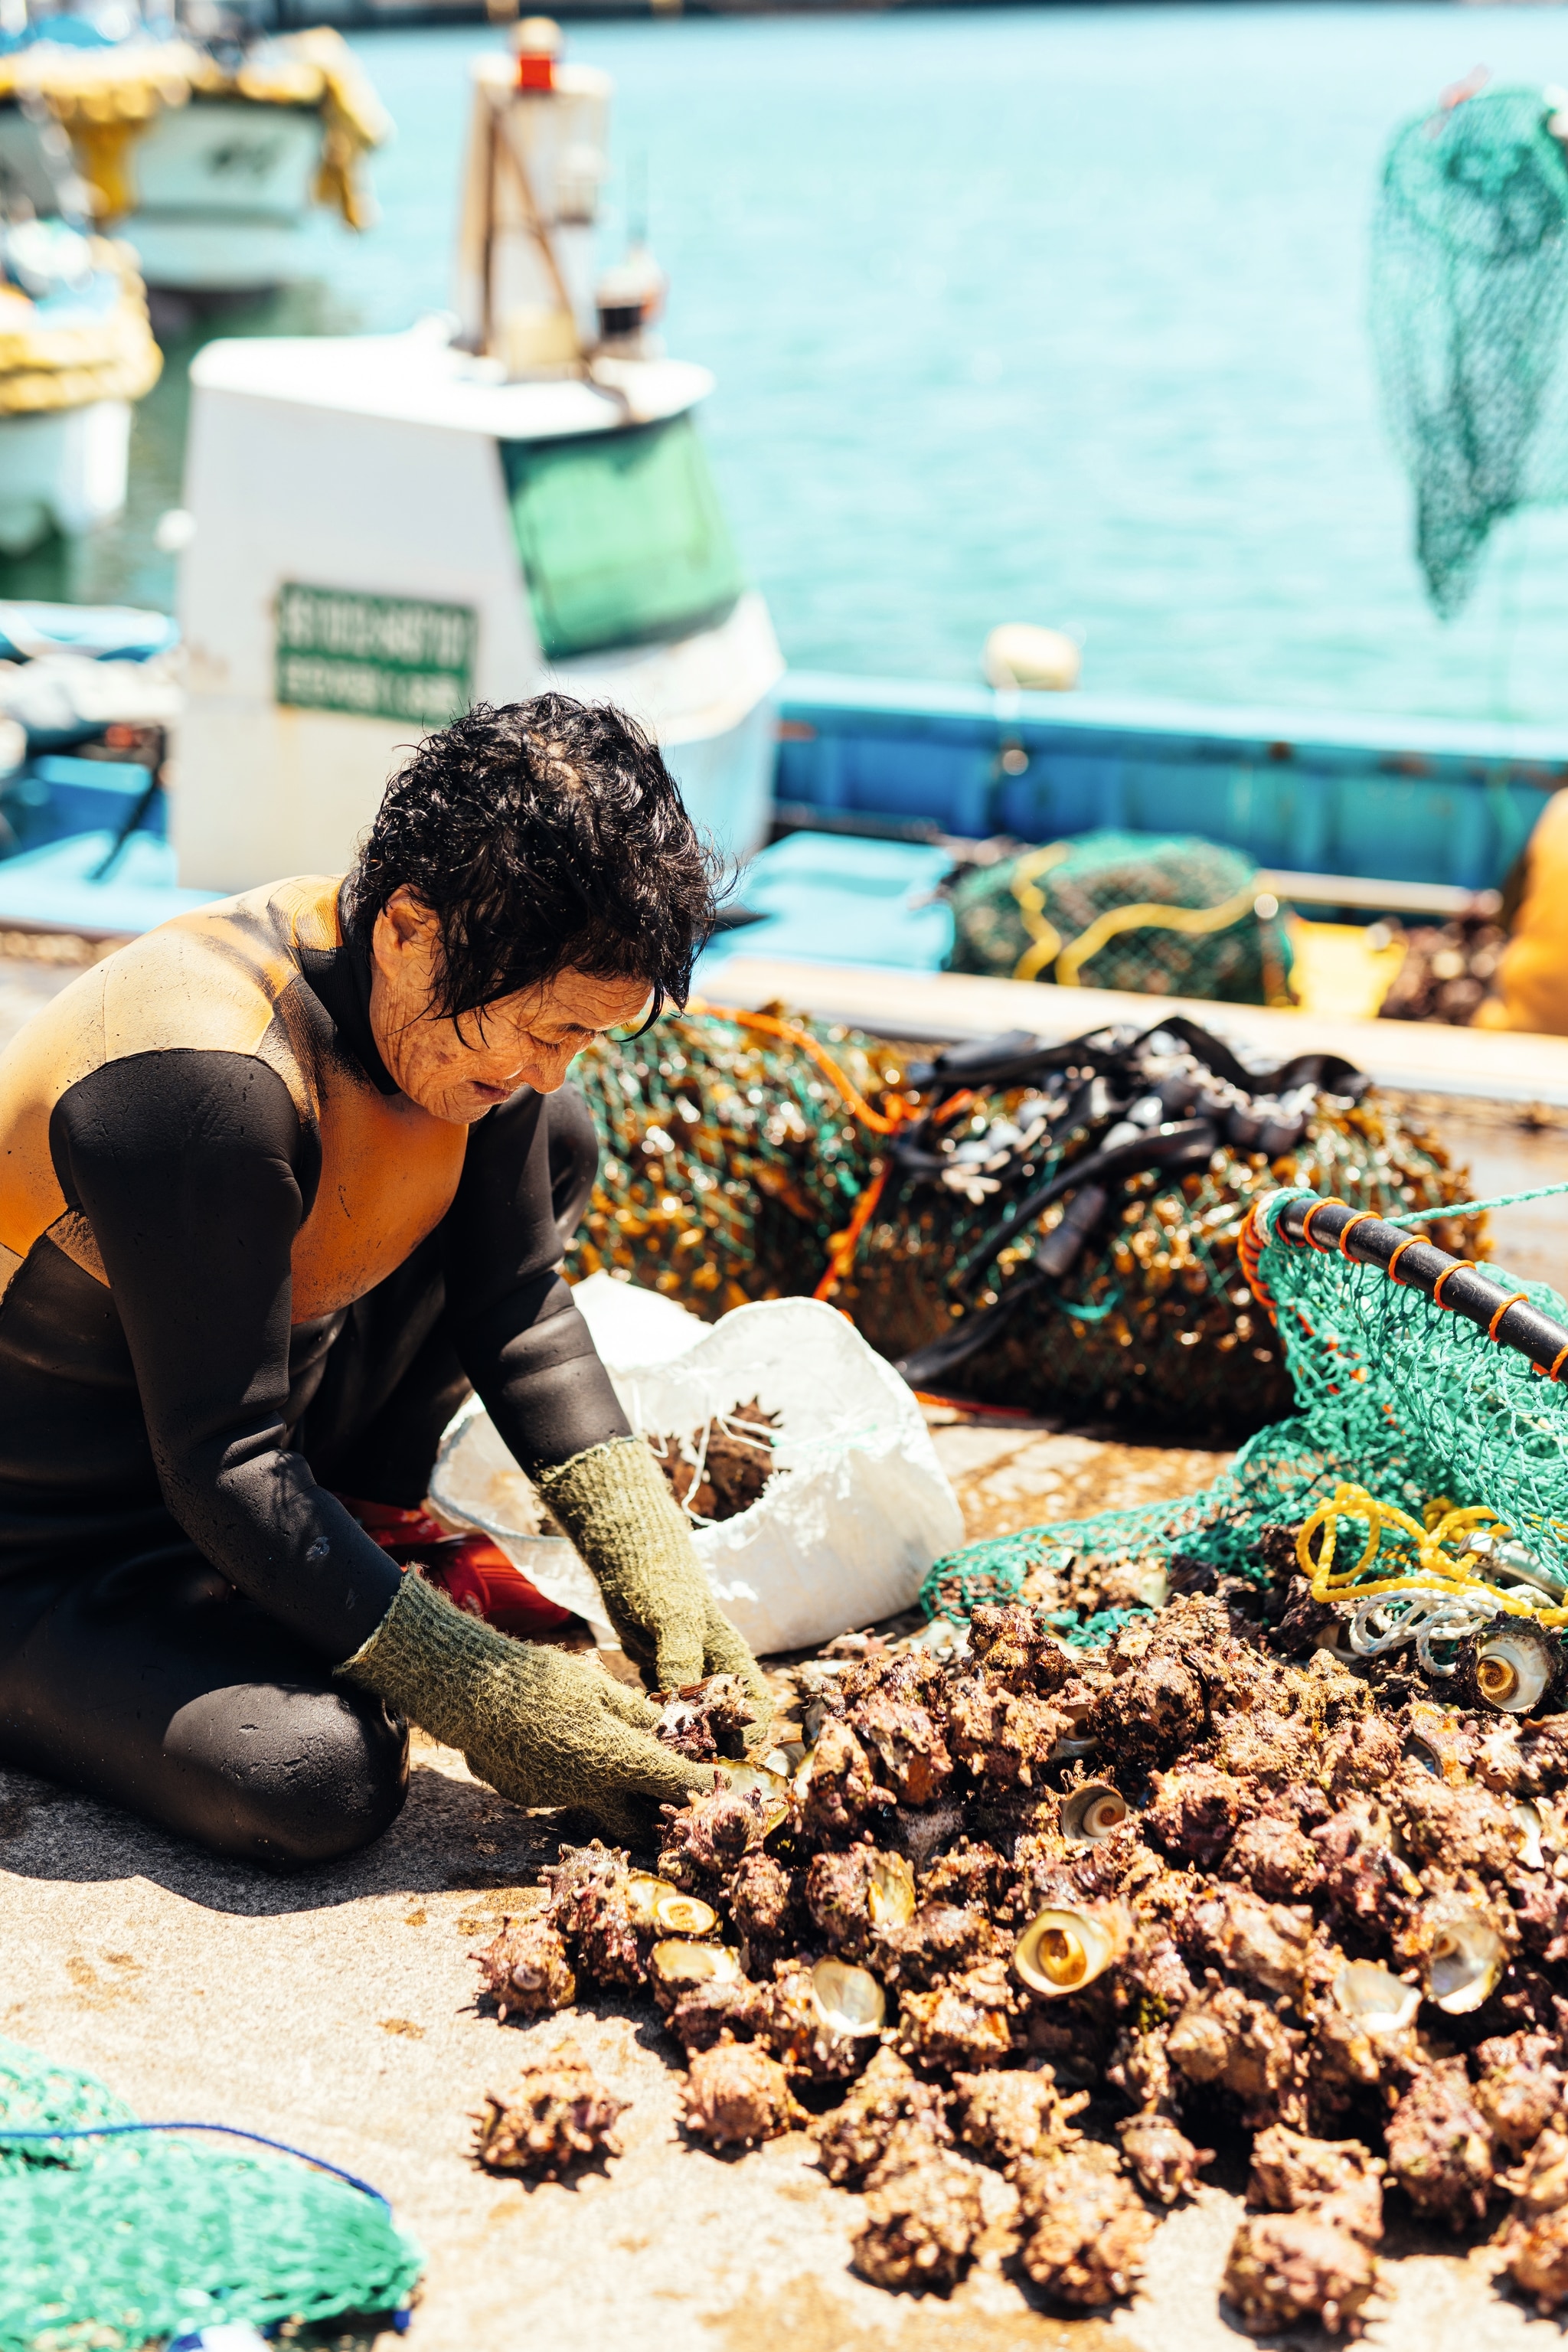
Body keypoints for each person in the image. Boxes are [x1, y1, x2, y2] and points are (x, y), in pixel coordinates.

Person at [0, 694, 768, 1867]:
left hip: (236, 1441)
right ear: (410, 928)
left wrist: (659, 1576)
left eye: (585, 1038)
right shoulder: (202, 1080)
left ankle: (354, 1533)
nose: (551, 1067)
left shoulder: (462, 1019)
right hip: (49, 1541)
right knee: (321, 1776)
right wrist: (484, 1694)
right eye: (545, 1026)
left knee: (557, 1137)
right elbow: (230, 1463)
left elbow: (518, 1313)